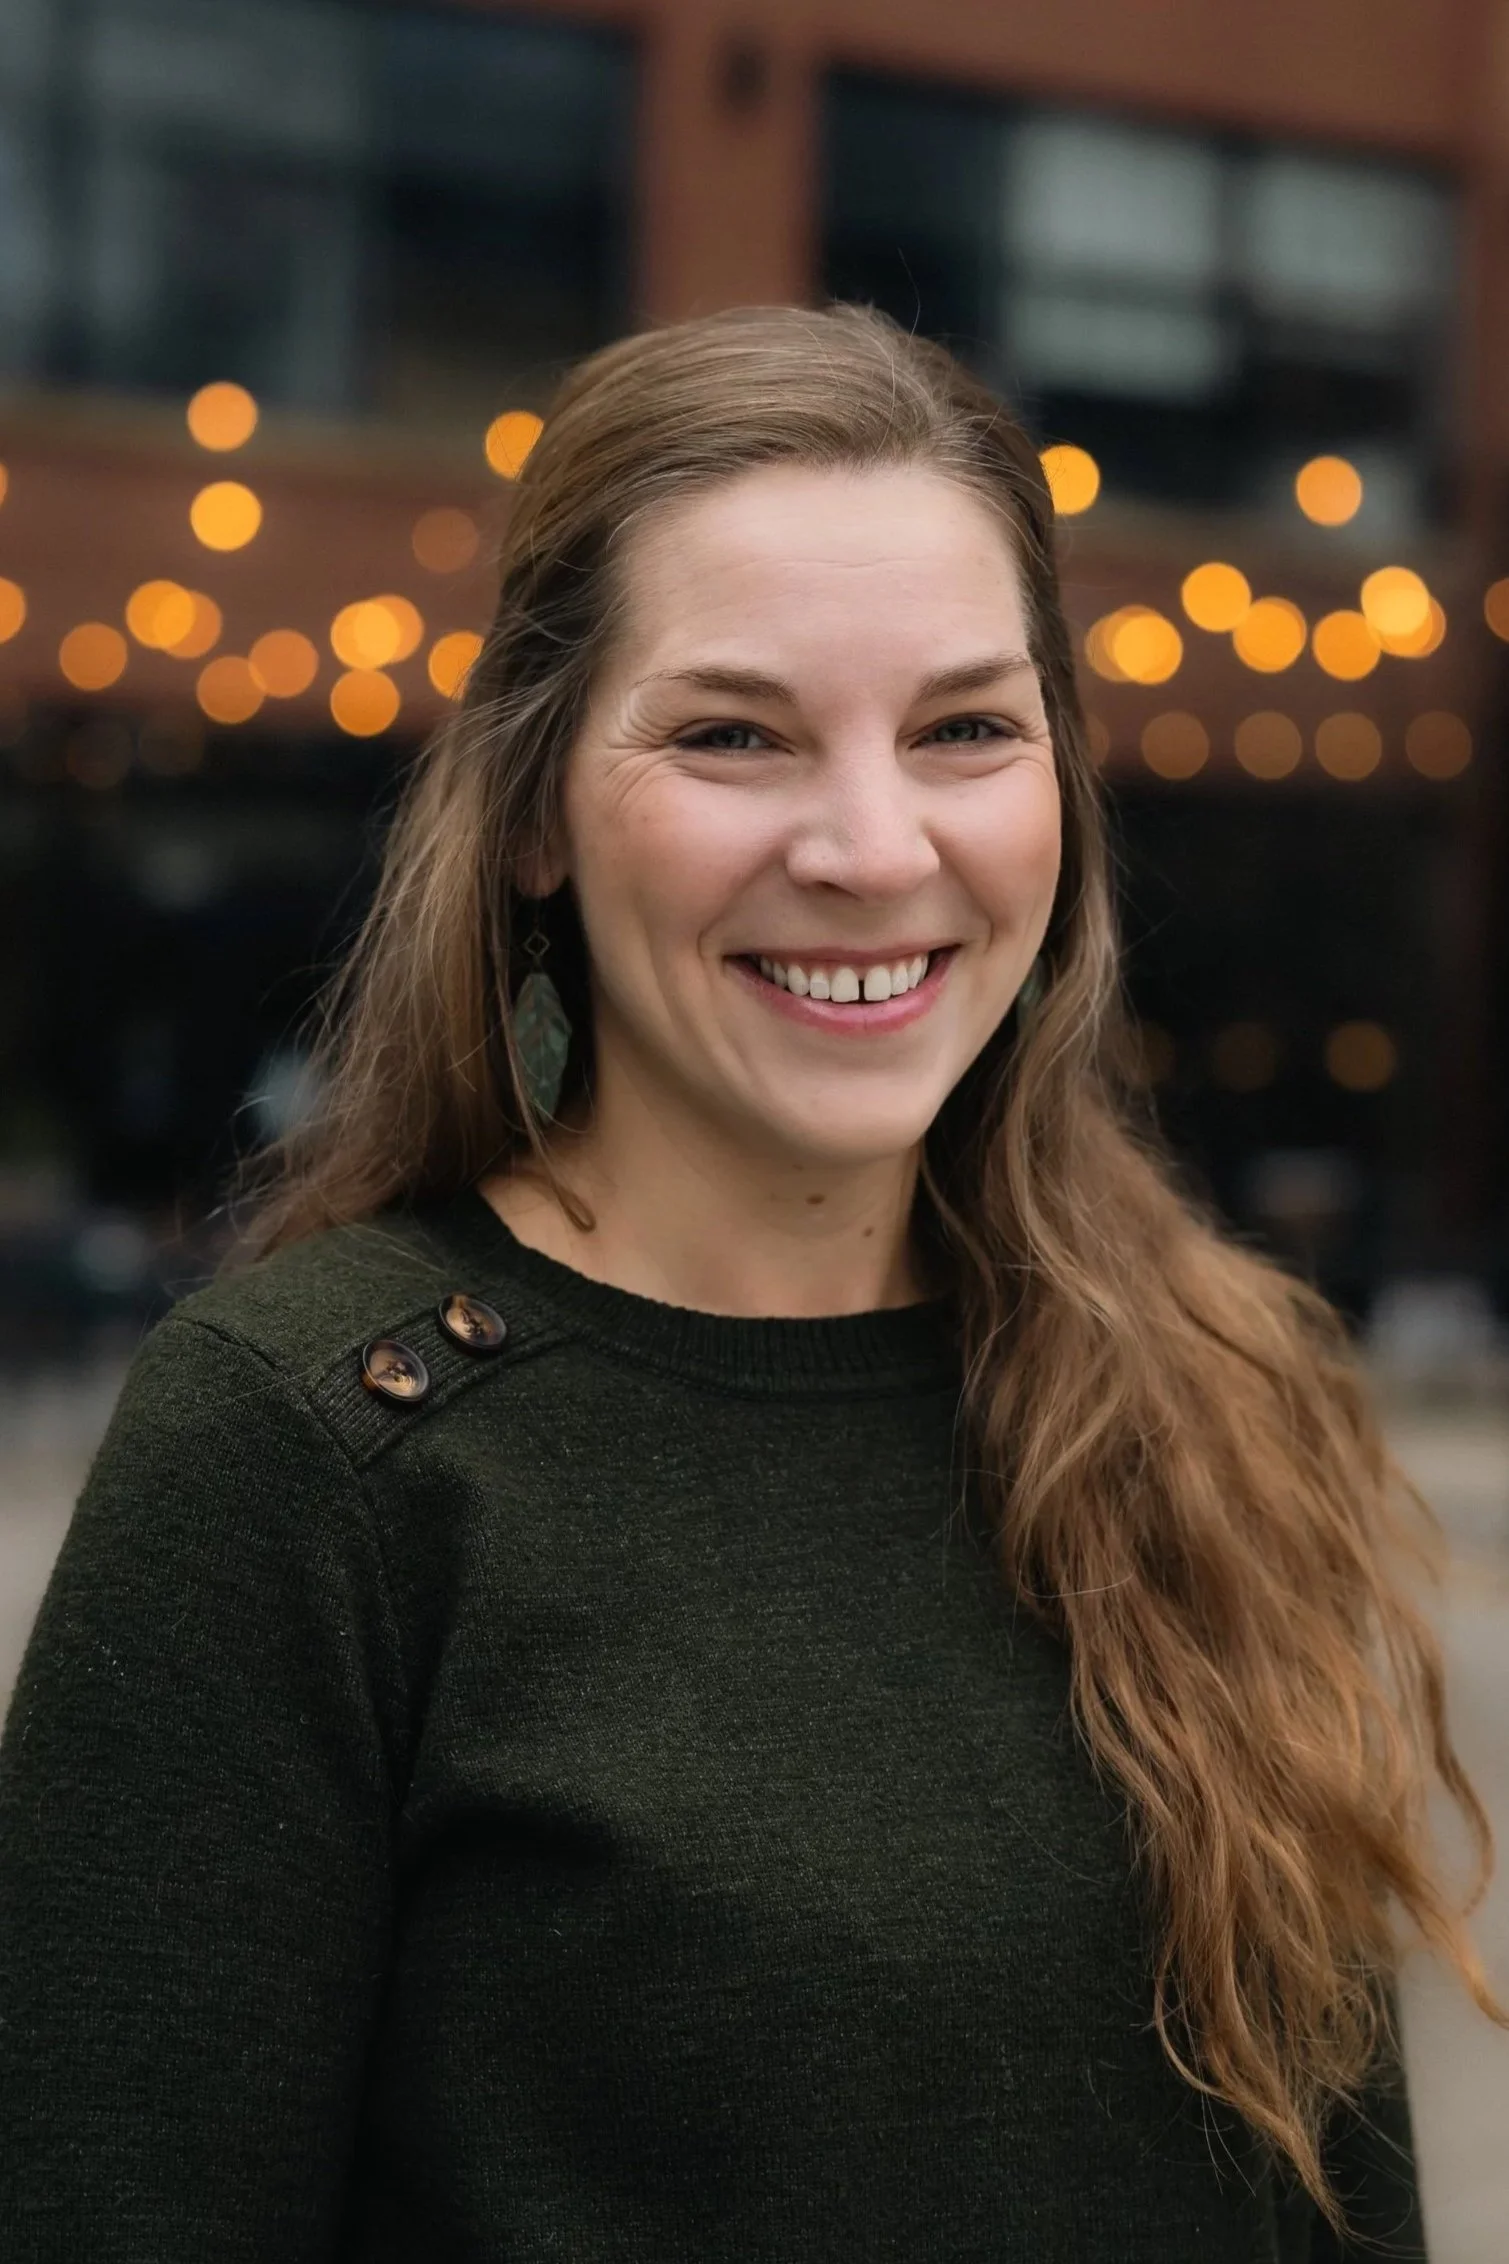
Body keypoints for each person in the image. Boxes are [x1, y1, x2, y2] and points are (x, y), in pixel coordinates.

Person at [0, 305, 1501, 2262]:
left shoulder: (1216, 1392)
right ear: (533, 811)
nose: (875, 849)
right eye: (732, 733)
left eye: (965, 726)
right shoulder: (309, 1454)